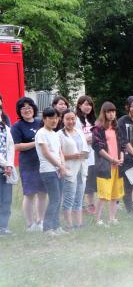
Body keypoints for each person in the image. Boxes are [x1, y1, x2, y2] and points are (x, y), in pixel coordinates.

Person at [11, 97, 45, 231]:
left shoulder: (40, 122)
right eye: (23, 108)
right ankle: (30, 224)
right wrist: (36, 142)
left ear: (34, 108)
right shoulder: (17, 126)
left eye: (29, 107)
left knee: (43, 193)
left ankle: (40, 221)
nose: (27, 110)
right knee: (29, 194)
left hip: (43, 163)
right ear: (19, 111)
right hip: (28, 164)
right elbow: (17, 146)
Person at [36, 107, 68, 235]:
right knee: (54, 199)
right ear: (44, 119)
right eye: (51, 118)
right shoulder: (41, 133)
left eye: (56, 118)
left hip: (59, 169)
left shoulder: (55, 134)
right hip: (48, 170)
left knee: (58, 199)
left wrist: (62, 166)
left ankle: (56, 226)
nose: (54, 121)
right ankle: (47, 228)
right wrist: (60, 167)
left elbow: (60, 152)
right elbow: (46, 154)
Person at [92, 102, 123, 225]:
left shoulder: (117, 128)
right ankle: (98, 220)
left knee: (115, 194)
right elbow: (98, 148)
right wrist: (112, 159)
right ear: (104, 113)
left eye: (113, 111)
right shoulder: (98, 129)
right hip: (105, 166)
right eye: (109, 112)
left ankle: (112, 218)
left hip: (117, 165)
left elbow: (123, 144)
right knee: (103, 195)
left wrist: (121, 158)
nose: (111, 114)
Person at [58, 110, 89, 230]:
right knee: (69, 198)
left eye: (73, 118)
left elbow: (85, 149)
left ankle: (79, 224)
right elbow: (58, 155)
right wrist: (72, 156)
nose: (71, 121)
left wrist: (84, 154)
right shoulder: (59, 135)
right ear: (62, 119)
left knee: (79, 198)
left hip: (81, 169)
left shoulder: (80, 132)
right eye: (68, 119)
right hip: (69, 170)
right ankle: (69, 225)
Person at [75, 95, 98, 215]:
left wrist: (93, 138)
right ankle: (80, 205)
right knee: (81, 181)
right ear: (79, 105)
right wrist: (88, 139)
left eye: (90, 104)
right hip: (81, 156)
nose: (88, 107)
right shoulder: (76, 120)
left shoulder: (92, 120)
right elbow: (75, 136)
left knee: (91, 182)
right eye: (85, 104)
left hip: (93, 156)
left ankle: (91, 204)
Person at [0, 96, 15, 234]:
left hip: (6, 169)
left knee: (6, 199)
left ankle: (3, 227)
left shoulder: (4, 124)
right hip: (3, 166)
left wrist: (9, 164)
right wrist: (6, 164)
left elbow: (10, 145)